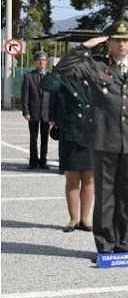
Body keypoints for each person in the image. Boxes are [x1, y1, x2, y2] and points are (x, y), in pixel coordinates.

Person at [55, 20, 128, 259]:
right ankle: (105, 246)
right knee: (105, 195)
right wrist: (85, 46)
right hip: (103, 141)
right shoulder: (95, 66)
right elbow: (63, 68)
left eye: (126, 40)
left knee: (125, 196)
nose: (122, 44)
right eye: (117, 40)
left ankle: (123, 243)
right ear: (108, 43)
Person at [41, 71, 94, 233]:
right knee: (72, 178)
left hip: (93, 135)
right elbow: (47, 85)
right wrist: (61, 66)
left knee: (89, 179)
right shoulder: (65, 80)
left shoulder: (97, 79)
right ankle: (73, 219)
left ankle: (85, 219)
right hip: (71, 134)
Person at [21, 51, 51, 169]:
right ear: (36, 62)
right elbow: (25, 96)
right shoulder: (29, 76)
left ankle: (43, 161)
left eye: (43, 60)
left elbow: (53, 95)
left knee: (45, 139)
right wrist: (25, 111)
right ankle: (33, 161)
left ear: (46, 62)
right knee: (33, 138)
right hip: (33, 112)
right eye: (39, 60)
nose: (41, 62)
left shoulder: (50, 76)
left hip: (47, 113)